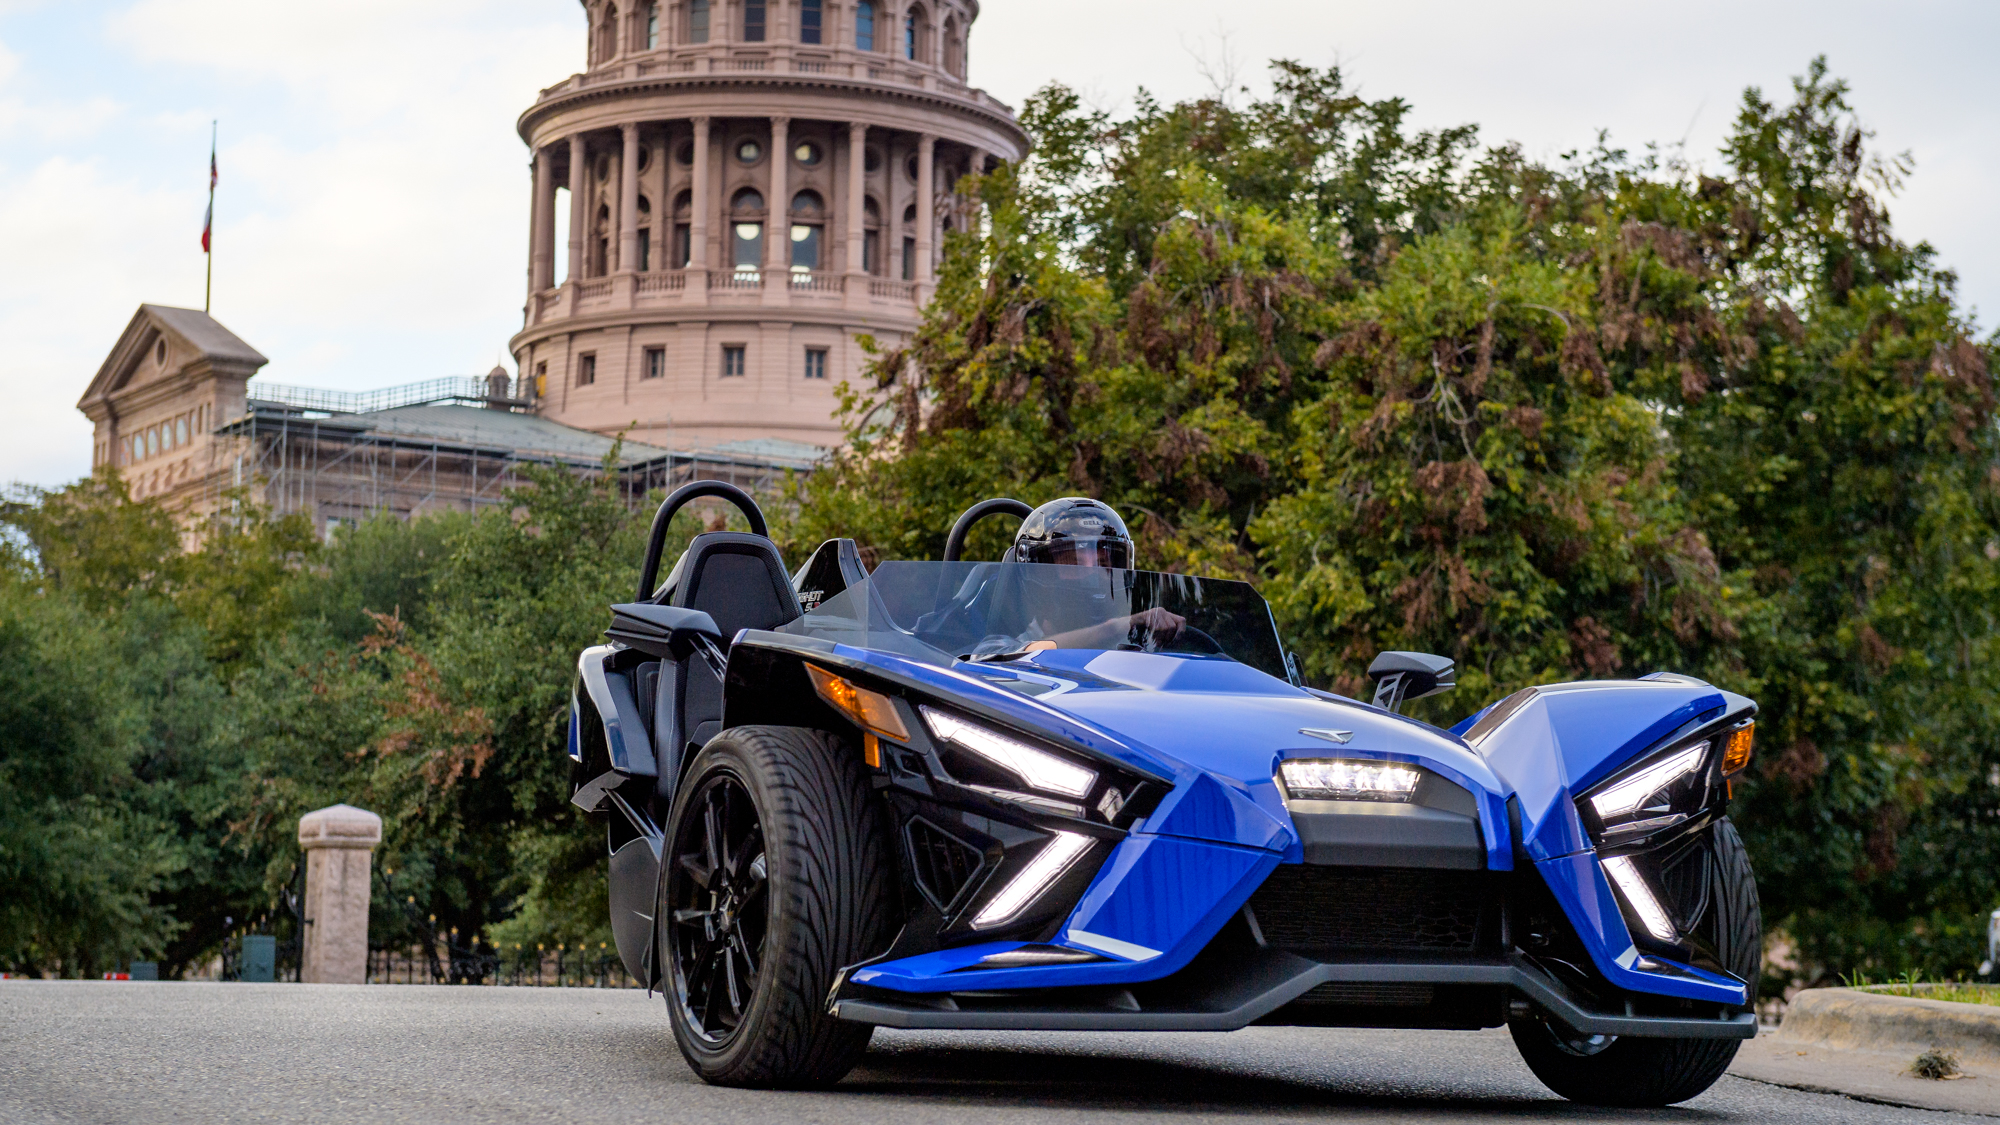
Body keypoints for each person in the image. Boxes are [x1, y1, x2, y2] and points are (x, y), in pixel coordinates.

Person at [962, 497, 1185, 655]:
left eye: (1105, 563)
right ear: (1037, 572)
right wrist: (1116, 628)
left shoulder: (1137, 644)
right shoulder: (999, 651)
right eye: (1073, 562)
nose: (1093, 574)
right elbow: (1002, 658)